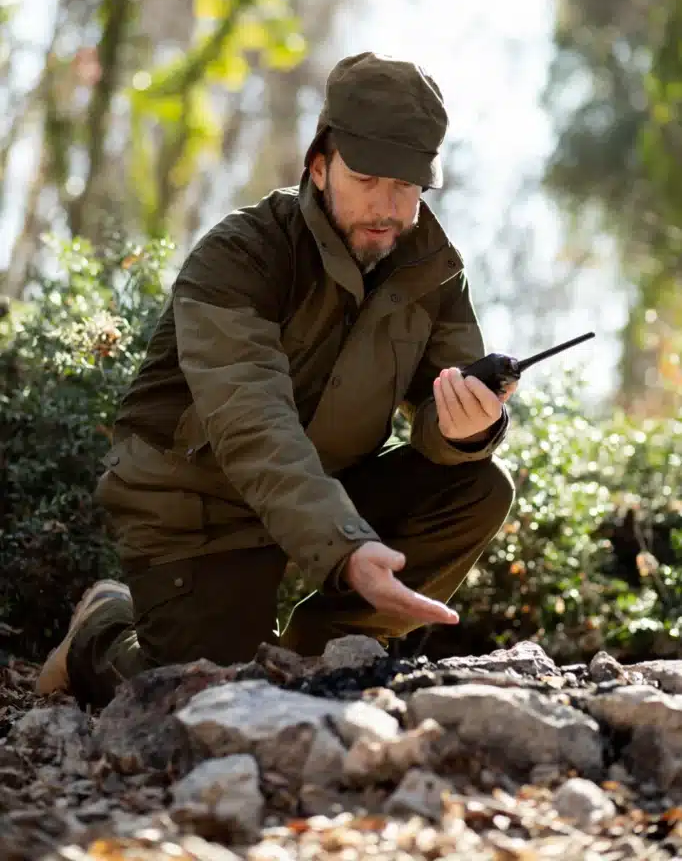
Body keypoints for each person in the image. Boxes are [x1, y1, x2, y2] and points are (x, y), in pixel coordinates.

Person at [36, 51, 516, 708]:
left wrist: (468, 429)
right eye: (369, 177)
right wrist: (346, 548)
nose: (388, 206)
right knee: (197, 699)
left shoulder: (432, 271)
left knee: (478, 485)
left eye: (408, 186)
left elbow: (442, 417)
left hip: (326, 488)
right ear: (319, 165)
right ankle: (100, 630)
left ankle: (318, 659)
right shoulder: (240, 255)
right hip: (199, 503)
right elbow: (253, 427)